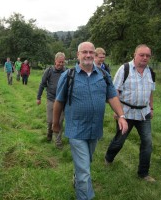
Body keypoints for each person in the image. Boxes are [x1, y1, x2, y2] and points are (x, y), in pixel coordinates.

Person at [53, 42, 128, 200]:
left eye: (91, 52)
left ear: (94, 55)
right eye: (84, 52)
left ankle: (77, 176)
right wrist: (55, 123)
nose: (88, 55)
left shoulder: (103, 74)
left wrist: (121, 115)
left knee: (86, 163)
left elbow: (112, 96)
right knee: (85, 172)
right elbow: (59, 101)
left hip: (95, 129)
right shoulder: (69, 76)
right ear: (78, 54)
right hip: (76, 129)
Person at [105, 44, 156, 182]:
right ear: (134, 54)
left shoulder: (150, 72)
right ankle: (108, 158)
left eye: (147, 55)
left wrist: (151, 108)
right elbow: (115, 92)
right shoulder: (124, 69)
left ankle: (143, 173)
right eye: (142, 55)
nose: (145, 58)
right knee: (119, 141)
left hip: (143, 114)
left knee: (147, 142)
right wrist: (117, 111)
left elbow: (151, 91)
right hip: (126, 113)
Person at [37, 52, 66, 148]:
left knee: (59, 121)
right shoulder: (49, 71)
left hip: (62, 101)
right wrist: (38, 97)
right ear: (55, 61)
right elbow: (42, 84)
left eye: (63, 62)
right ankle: (49, 133)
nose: (61, 64)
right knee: (50, 121)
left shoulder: (66, 72)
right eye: (59, 62)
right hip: (51, 99)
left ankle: (58, 142)